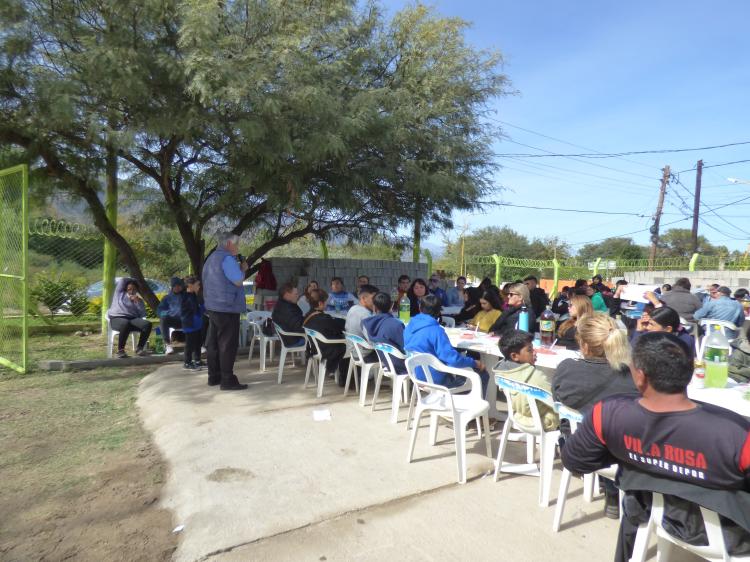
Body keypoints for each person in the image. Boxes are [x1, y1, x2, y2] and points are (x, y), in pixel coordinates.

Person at [561, 332, 750, 562]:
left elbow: (575, 461)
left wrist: (630, 454)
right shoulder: (737, 434)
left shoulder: (608, 414)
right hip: (729, 532)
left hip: (652, 514)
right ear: (689, 373)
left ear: (639, 376)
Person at [553, 312, 635, 518]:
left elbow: (558, 399)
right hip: (623, 452)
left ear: (585, 346)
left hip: (577, 447)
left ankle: (608, 488)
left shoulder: (567, 368)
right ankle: (614, 492)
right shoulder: (634, 378)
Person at [404, 294, 489, 395]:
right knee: (481, 374)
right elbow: (453, 360)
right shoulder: (436, 331)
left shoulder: (409, 326)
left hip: (415, 375)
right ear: (439, 311)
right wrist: (474, 363)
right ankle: (473, 408)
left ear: (420, 308)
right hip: (436, 380)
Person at [202, 232, 248, 390]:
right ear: (229, 244)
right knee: (227, 344)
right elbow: (237, 280)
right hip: (227, 307)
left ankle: (213, 376)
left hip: (213, 306)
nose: (237, 247)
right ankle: (227, 379)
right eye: (236, 244)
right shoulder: (227, 258)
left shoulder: (211, 258)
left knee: (213, 344)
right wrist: (243, 269)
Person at [494, 330, 558, 431]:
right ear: (514, 356)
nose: (534, 353)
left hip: (517, 416)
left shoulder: (502, 371)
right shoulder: (536, 377)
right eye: (530, 350)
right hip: (542, 420)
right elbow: (556, 399)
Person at [304, 288, 348, 385]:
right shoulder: (323, 318)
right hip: (327, 349)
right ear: (320, 304)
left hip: (314, 347)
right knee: (349, 347)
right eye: (325, 302)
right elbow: (338, 328)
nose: (327, 305)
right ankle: (346, 380)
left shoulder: (308, 314)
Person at [107, 277, 152, 358]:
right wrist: (133, 280)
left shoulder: (139, 300)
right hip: (116, 319)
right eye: (129, 289)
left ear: (137, 290)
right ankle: (120, 351)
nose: (131, 291)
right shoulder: (119, 294)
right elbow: (123, 280)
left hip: (131, 320)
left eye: (134, 289)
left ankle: (139, 348)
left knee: (147, 324)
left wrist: (138, 303)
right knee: (125, 323)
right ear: (126, 289)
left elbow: (142, 314)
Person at [363, 292, 406, 373]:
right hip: (400, 365)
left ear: (374, 308)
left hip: (385, 361)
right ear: (392, 305)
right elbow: (406, 347)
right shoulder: (396, 324)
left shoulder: (367, 324)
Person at [630, 306, 694, 354]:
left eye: (652, 324)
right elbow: (632, 352)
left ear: (668, 329)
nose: (648, 327)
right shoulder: (650, 335)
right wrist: (639, 331)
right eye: (648, 323)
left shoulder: (682, 341)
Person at [344, 284, 379, 361]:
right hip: (364, 354)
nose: (376, 301)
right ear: (363, 298)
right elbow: (372, 340)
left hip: (352, 351)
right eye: (374, 298)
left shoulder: (352, 308)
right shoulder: (365, 315)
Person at [156, 276, 185, 355]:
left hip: (186, 319)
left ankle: (199, 345)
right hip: (173, 320)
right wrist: (168, 313)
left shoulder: (187, 296)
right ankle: (168, 344)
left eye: (179, 285)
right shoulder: (167, 298)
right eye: (175, 286)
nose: (177, 287)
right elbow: (159, 311)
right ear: (172, 287)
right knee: (163, 319)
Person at [180, 276, 204, 370]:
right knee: (190, 344)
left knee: (198, 342)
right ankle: (187, 362)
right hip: (189, 324)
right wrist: (204, 306)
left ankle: (197, 360)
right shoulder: (186, 296)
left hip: (196, 324)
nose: (199, 286)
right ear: (190, 285)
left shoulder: (193, 295)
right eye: (197, 285)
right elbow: (197, 310)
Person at [271, 283, 305, 347]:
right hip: (293, 340)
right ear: (287, 295)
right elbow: (299, 327)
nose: (298, 296)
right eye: (296, 294)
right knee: (320, 339)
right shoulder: (287, 309)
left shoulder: (282, 305)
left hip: (289, 338)